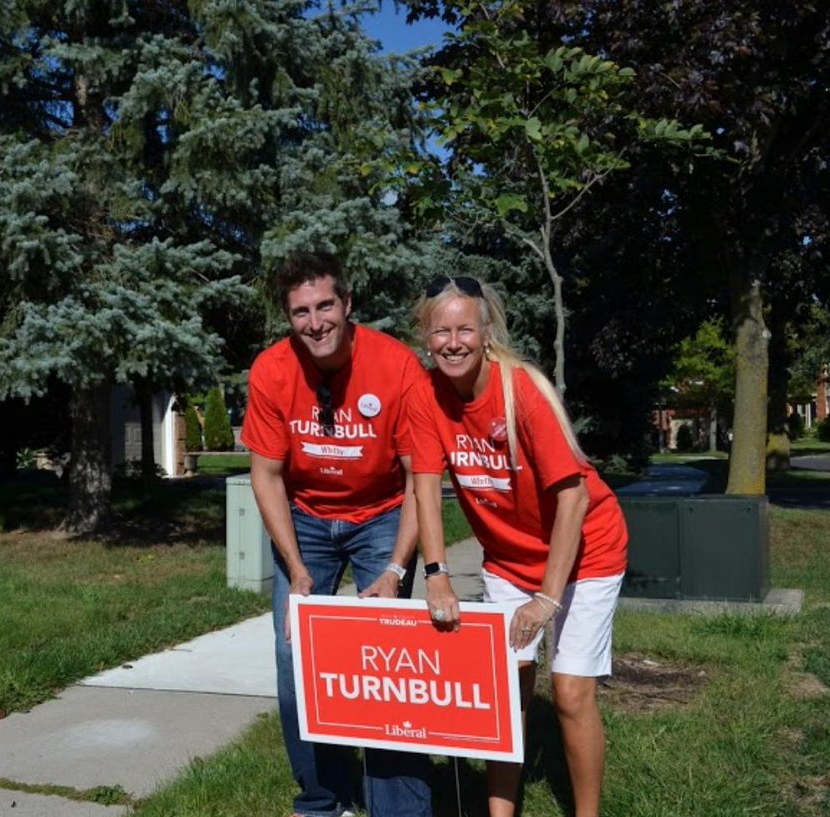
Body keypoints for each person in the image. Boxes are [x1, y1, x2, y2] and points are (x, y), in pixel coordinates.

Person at [407, 276, 628, 817]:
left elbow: (574, 499)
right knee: (507, 692)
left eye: (465, 329)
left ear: (486, 333)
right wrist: (436, 573)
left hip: (585, 549)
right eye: (441, 332)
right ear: (426, 337)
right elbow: (426, 490)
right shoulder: (424, 395)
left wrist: (547, 600)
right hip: (508, 558)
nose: (452, 342)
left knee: (571, 691)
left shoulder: (521, 390)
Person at [241, 252, 433, 817]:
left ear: (348, 305)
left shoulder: (396, 366)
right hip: (306, 519)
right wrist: (297, 570)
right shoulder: (272, 370)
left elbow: (419, 476)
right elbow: (266, 474)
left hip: (382, 516)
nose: (315, 321)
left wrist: (397, 570)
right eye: (300, 312)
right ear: (288, 317)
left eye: (325, 306)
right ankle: (323, 799)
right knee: (292, 653)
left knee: (387, 659)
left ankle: (399, 807)